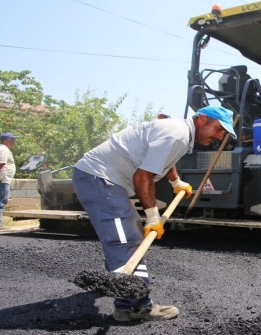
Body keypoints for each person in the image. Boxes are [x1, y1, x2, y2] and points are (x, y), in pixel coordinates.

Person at [71, 105, 236, 322]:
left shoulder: (181, 134)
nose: (219, 136)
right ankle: (133, 306)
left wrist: (176, 182)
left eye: (223, 133)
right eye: (218, 129)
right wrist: (153, 217)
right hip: (100, 178)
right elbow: (143, 175)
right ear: (202, 119)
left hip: (104, 179)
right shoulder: (177, 134)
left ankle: (117, 282)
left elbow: (163, 159)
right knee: (125, 240)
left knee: (127, 237)